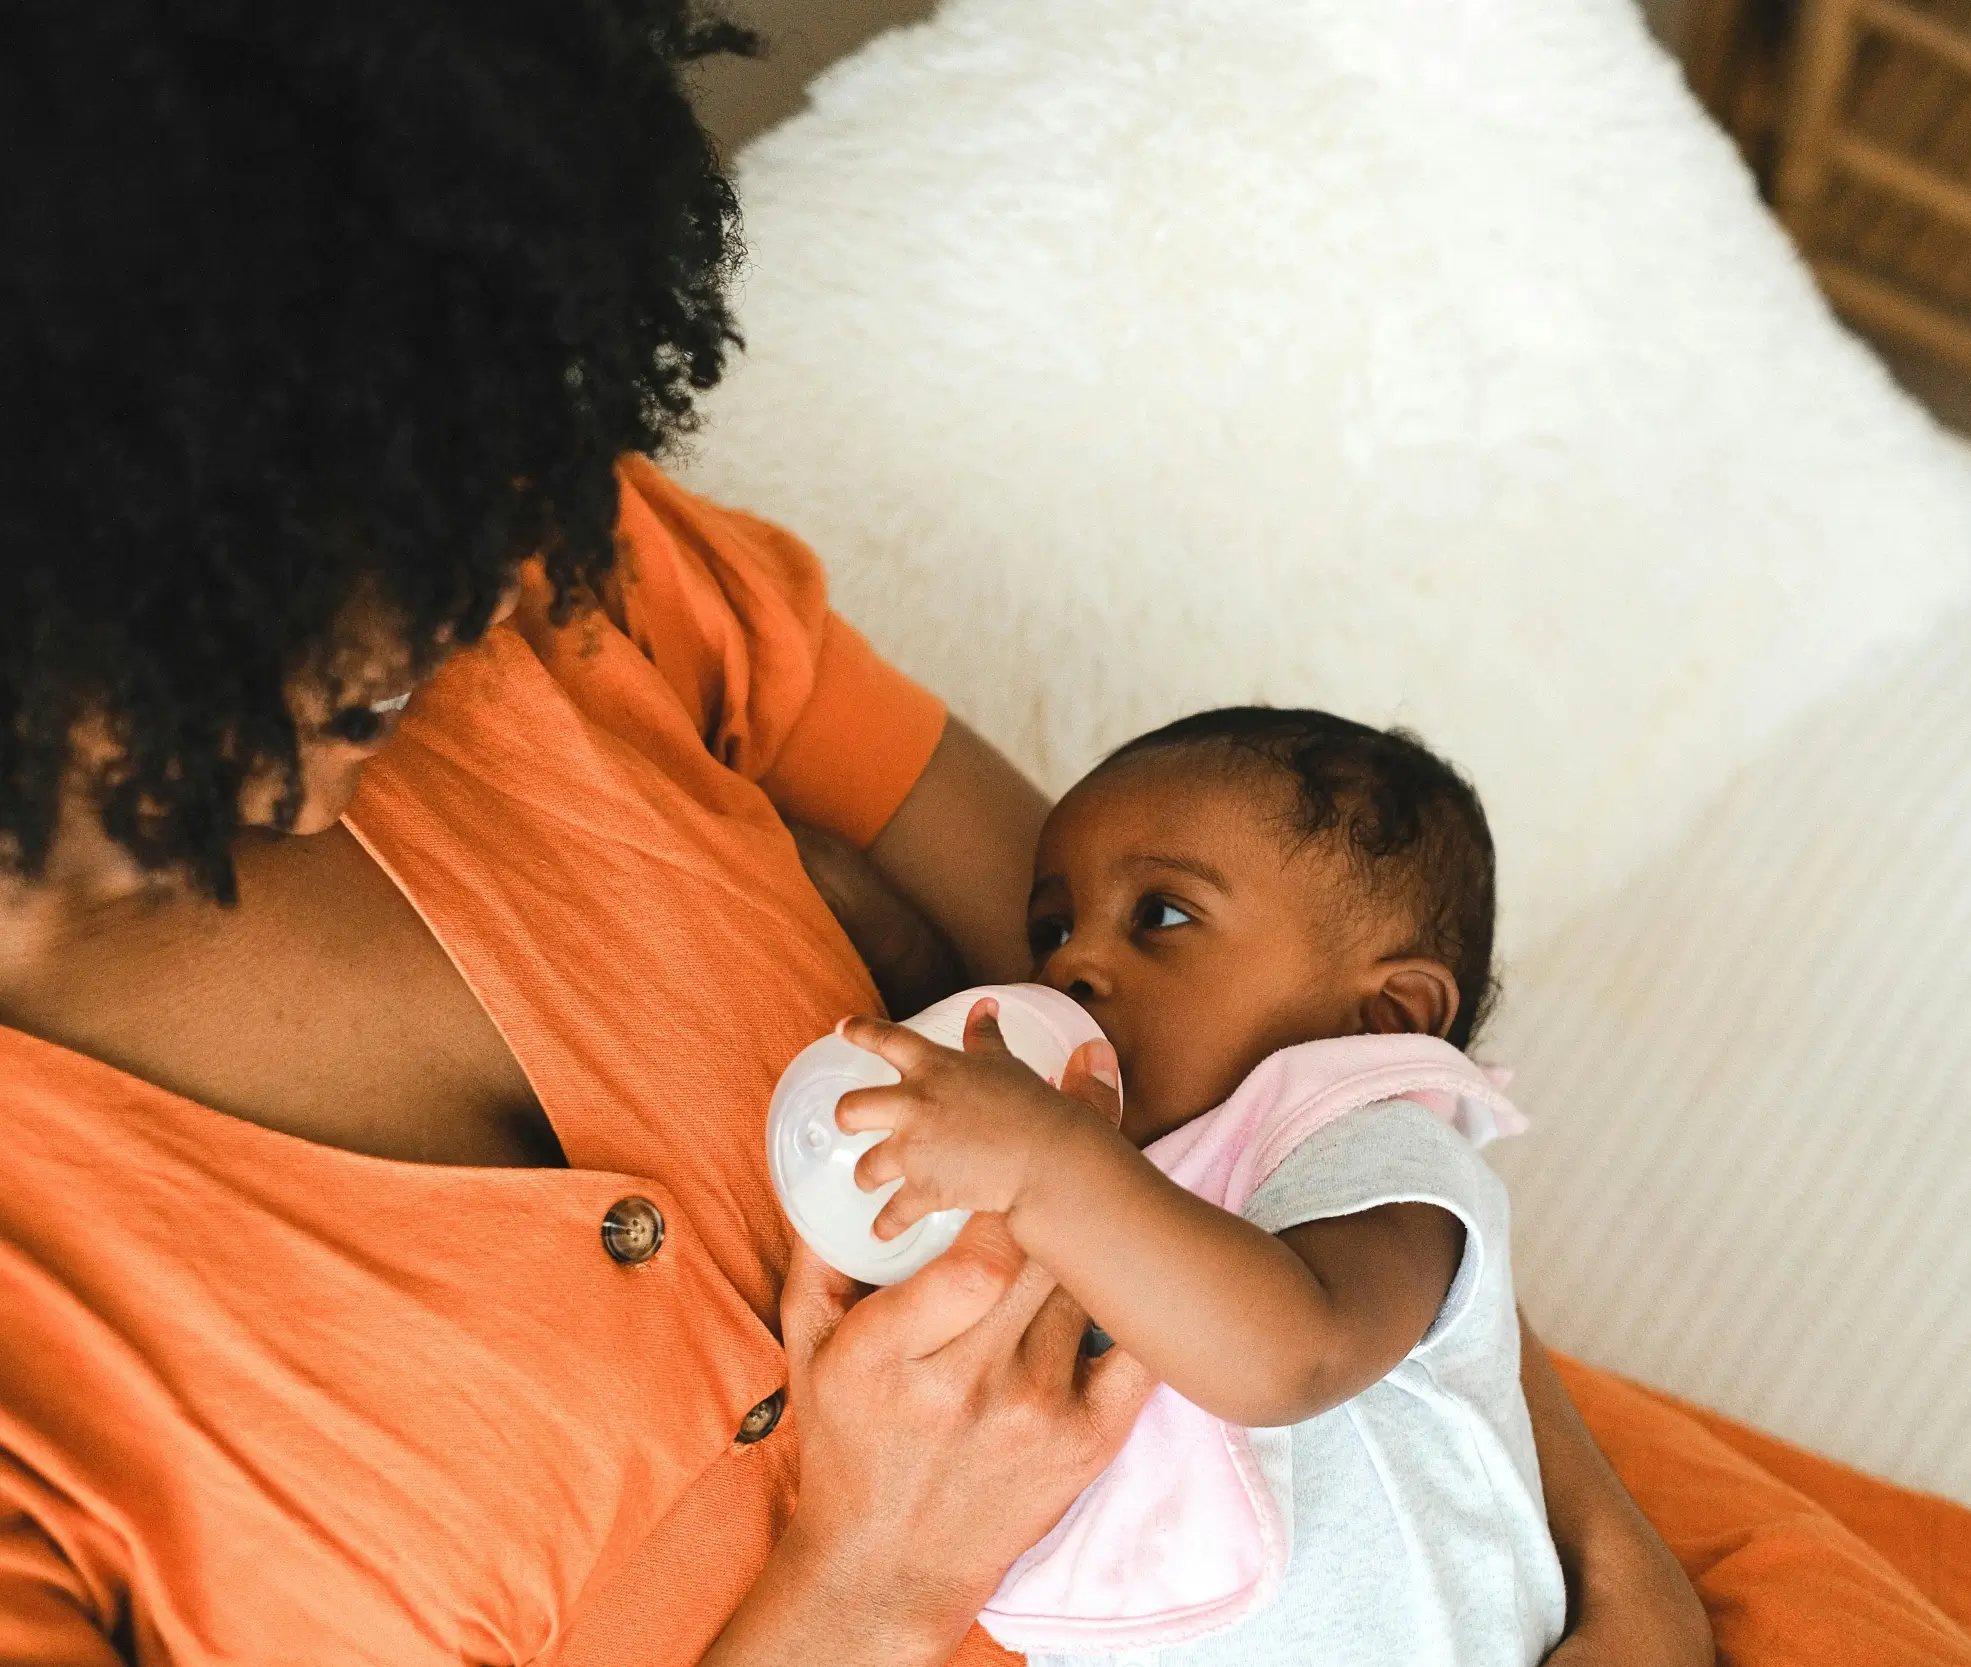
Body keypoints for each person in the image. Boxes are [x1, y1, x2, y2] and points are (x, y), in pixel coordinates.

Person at [0, 5, 1710, 1664]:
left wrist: (1606, 1556)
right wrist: (873, 1587)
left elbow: (1277, 1043)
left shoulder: (518, 555)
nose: (436, 615)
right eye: (291, 559)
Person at [839, 707, 1568, 1665]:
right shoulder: (1111, 1171)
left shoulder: (1386, 1156)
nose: (1071, 964)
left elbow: (1291, 1358)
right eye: (1050, 927)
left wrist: (1042, 1166)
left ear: (1384, 1012)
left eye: (1163, 914)